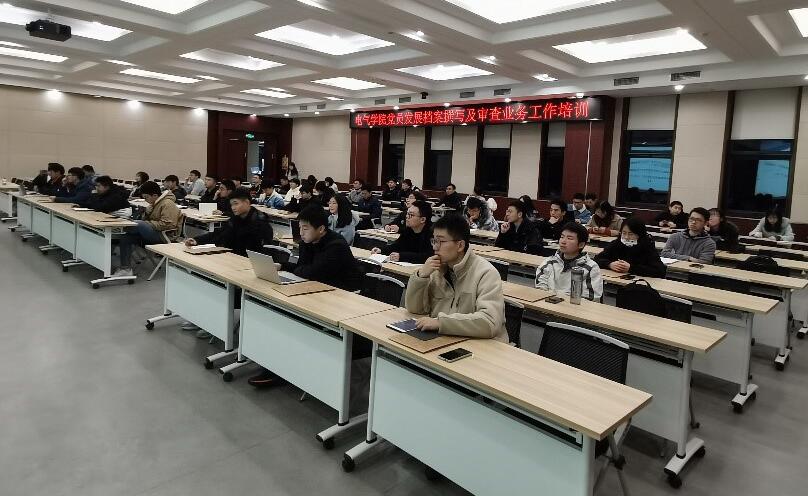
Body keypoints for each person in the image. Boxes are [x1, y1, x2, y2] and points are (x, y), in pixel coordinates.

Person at [249, 204, 363, 387]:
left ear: (321, 229)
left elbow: (311, 272)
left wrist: (299, 269)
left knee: (290, 319)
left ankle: (283, 369)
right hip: (316, 292)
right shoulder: (307, 242)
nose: (301, 233)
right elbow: (305, 269)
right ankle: (274, 362)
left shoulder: (336, 245)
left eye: (305, 228)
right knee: (275, 311)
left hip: (342, 300)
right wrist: (283, 266)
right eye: (300, 227)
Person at [404, 213, 506, 341]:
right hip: (445, 339)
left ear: (460, 245)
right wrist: (421, 276)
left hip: (480, 345)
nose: (435, 247)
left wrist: (441, 323)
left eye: (440, 241)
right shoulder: (436, 270)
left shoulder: (486, 273)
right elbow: (415, 310)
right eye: (434, 241)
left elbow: (489, 322)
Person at [114, 181, 181, 277]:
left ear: (155, 195)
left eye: (146, 197)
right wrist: (145, 213)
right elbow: (147, 220)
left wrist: (147, 223)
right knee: (126, 237)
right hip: (153, 232)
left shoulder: (168, 204)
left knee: (139, 224)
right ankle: (126, 269)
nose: (145, 200)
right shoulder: (154, 203)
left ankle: (118, 230)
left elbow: (168, 224)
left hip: (164, 236)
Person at [185, 188, 274, 257]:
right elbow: (219, 233)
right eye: (231, 205)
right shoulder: (235, 219)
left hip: (247, 262)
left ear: (247, 202)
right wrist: (197, 240)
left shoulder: (260, 222)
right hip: (231, 256)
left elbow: (261, 252)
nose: (233, 207)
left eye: (236, 203)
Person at [535, 222, 603, 301]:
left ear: (581, 244)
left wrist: (558, 298)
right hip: (547, 305)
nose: (563, 241)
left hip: (574, 307)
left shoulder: (591, 268)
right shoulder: (549, 262)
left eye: (569, 238)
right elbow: (540, 288)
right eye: (562, 237)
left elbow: (590, 297)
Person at [594, 217, 666, 278]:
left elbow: (660, 271)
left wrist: (631, 268)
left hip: (639, 284)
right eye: (624, 233)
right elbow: (597, 259)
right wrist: (609, 264)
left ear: (639, 234)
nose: (626, 237)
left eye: (631, 234)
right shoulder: (616, 243)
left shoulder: (647, 247)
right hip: (616, 280)